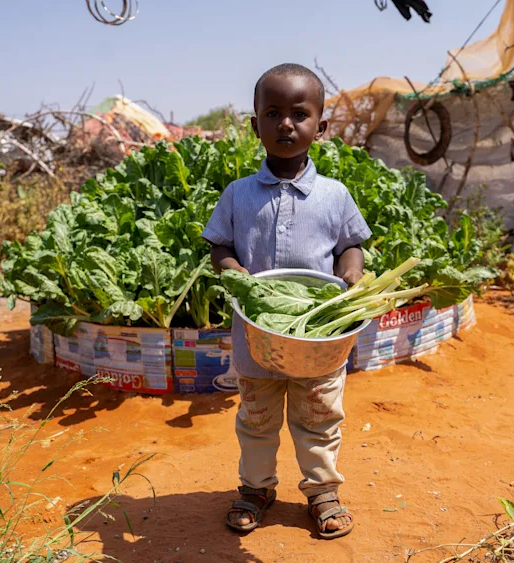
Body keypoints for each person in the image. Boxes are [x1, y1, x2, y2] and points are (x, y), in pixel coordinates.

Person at [201, 63, 371, 540]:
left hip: (317, 339)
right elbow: (220, 246)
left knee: (319, 418)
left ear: (322, 125)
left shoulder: (334, 195)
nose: (286, 125)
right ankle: (255, 489)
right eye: (273, 114)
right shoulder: (238, 194)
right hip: (257, 340)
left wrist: (351, 272)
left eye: (300, 114)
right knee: (256, 420)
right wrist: (232, 270)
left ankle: (322, 492)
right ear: (255, 125)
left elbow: (351, 245)